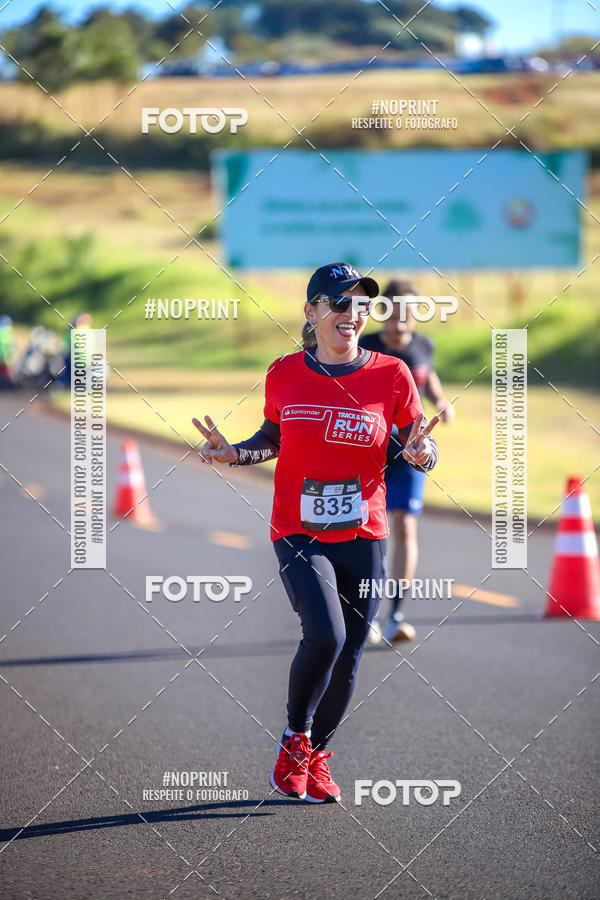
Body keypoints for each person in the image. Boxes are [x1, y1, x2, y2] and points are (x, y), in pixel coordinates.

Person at [192, 262, 439, 804]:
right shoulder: (284, 373)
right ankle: (293, 741)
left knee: (350, 651)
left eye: (360, 304)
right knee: (324, 635)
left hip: (365, 533)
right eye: (339, 302)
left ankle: (318, 756)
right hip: (298, 530)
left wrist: (423, 454)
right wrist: (235, 453)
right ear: (312, 312)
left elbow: (418, 445)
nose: (352, 314)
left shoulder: (392, 375)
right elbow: (271, 437)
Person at [359, 278, 454, 644]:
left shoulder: (423, 345)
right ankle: (364, 615)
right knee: (367, 538)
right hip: (368, 457)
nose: (400, 325)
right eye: (393, 316)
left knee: (405, 530)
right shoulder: (363, 346)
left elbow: (427, 374)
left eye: (407, 317)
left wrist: (442, 402)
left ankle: (396, 616)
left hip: (410, 455)